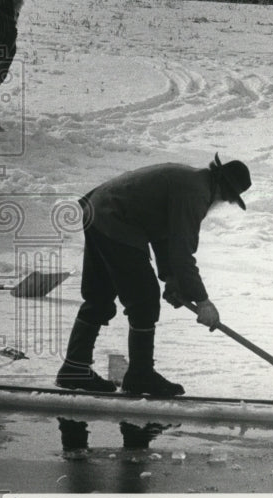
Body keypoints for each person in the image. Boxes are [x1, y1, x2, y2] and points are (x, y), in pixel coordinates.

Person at [55, 153, 252, 396]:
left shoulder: (191, 180)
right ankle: (140, 376)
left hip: (99, 210)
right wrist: (203, 301)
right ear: (224, 188)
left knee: (99, 295)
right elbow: (182, 253)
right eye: (229, 198)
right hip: (115, 218)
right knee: (144, 300)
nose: (224, 202)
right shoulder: (196, 193)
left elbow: (162, 233)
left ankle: (75, 368)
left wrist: (170, 278)